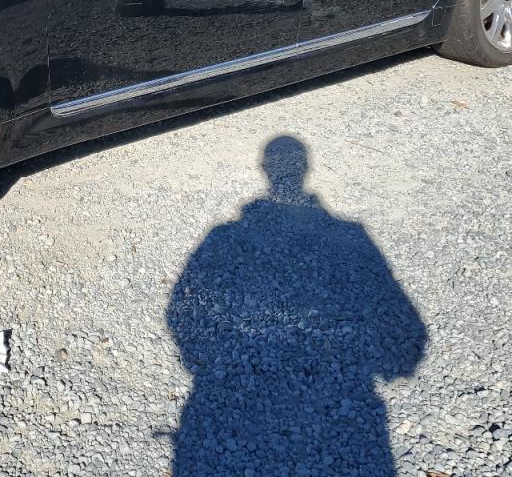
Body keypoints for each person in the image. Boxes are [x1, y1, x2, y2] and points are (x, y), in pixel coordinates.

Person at [168, 135, 427, 476]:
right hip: (346, 407)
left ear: (263, 170)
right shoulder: (350, 235)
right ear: (306, 169)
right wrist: (392, 361)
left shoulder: (223, 236)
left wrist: (204, 359)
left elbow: (180, 307)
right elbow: (404, 328)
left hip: (229, 396)